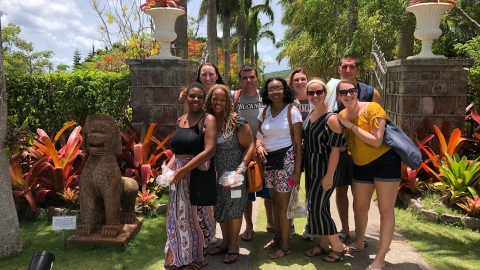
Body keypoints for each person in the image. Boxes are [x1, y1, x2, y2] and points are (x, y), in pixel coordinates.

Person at [336, 79, 400, 270]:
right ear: (338, 96)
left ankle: (380, 260)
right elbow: (347, 143)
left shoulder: (372, 108)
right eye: (343, 92)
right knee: (360, 207)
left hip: (385, 163)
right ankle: (359, 242)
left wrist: (350, 125)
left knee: (385, 210)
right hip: (360, 165)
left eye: (351, 91)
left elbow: (376, 141)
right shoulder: (340, 115)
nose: (348, 95)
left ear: (357, 91)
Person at [164, 82, 217, 270]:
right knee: (177, 216)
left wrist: (182, 171)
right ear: (186, 97)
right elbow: (176, 151)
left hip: (197, 174)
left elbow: (210, 150)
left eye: (200, 97)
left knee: (199, 217)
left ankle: (198, 258)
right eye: (192, 96)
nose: (196, 100)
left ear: (204, 100)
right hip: (178, 175)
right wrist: (168, 170)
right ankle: (177, 256)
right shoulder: (181, 120)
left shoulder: (208, 119)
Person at [334, 54, 382, 245]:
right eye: (344, 67)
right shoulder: (333, 93)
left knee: (360, 195)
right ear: (339, 69)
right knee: (340, 190)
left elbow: (379, 124)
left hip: (364, 153)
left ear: (358, 70)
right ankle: (345, 229)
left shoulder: (371, 93)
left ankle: (359, 233)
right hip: (341, 152)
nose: (348, 70)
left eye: (352, 67)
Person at [205, 84, 254, 264]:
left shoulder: (237, 121)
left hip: (235, 176)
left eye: (222, 99)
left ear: (228, 102)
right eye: (215, 99)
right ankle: (225, 243)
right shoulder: (207, 120)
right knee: (220, 208)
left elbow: (250, 145)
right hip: (215, 175)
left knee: (234, 208)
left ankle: (233, 246)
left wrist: (240, 169)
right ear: (210, 100)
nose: (218, 102)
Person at [256, 77, 303, 259]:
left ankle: (286, 245)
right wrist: (259, 145)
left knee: (284, 204)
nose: (275, 92)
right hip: (269, 162)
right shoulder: (265, 111)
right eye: (271, 89)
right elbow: (259, 133)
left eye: (278, 88)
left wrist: (297, 171)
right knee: (274, 200)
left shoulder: (292, 111)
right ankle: (277, 237)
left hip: (287, 161)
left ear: (285, 90)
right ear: (266, 92)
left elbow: (298, 145)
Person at [302, 79, 347, 262]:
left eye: (318, 92)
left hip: (325, 167)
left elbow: (336, 150)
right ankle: (323, 245)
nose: (315, 96)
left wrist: (329, 175)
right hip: (311, 166)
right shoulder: (311, 114)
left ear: (324, 93)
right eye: (311, 92)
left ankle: (337, 247)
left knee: (316, 207)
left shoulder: (332, 119)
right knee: (322, 207)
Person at [232, 64, 275, 242]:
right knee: (247, 192)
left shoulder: (266, 97)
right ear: (240, 80)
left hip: (266, 149)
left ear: (257, 78)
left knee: (269, 189)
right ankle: (249, 226)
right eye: (244, 77)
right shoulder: (235, 96)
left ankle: (271, 223)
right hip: (242, 150)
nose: (248, 80)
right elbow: (210, 95)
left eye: (251, 77)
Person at [286, 67, 313, 240]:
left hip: (312, 151)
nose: (300, 82)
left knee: (311, 187)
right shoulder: (287, 102)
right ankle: (290, 222)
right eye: (296, 80)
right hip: (292, 152)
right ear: (291, 83)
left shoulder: (315, 99)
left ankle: (311, 224)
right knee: (291, 186)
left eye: (303, 79)